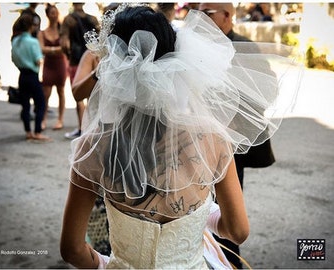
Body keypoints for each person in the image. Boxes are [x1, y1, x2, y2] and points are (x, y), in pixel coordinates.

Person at [60, 5, 300, 269]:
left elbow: (72, 250)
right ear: (173, 58)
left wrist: (107, 264)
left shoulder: (93, 146)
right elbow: (238, 231)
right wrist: (202, 215)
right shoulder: (212, 138)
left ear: (113, 65)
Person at [198, 2, 276, 268]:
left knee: (228, 211)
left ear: (227, 16)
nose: (200, 19)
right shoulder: (195, 47)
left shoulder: (243, 46)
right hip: (197, 143)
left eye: (206, 14)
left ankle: (230, 263)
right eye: (197, 13)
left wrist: (233, 120)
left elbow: (268, 88)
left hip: (232, 145)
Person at [60, 3, 99, 140]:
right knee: (93, 97)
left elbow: (64, 43)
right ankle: (91, 127)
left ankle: (82, 128)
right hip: (95, 58)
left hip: (77, 61)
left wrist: (68, 54)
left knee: (79, 95)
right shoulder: (93, 19)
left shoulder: (68, 19)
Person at [11, 14, 50, 142]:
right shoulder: (32, 42)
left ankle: (28, 132)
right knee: (40, 104)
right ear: (30, 26)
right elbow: (38, 60)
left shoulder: (15, 40)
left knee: (25, 105)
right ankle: (37, 132)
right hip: (32, 76)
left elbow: (14, 59)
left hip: (22, 75)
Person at [38, 4, 67, 131]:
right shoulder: (42, 32)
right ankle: (43, 119)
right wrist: (57, 50)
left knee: (61, 91)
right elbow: (41, 49)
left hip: (60, 64)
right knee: (46, 94)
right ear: (47, 15)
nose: (54, 15)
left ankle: (60, 119)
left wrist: (50, 50)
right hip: (48, 65)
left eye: (56, 12)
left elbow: (66, 48)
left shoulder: (63, 32)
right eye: (51, 13)